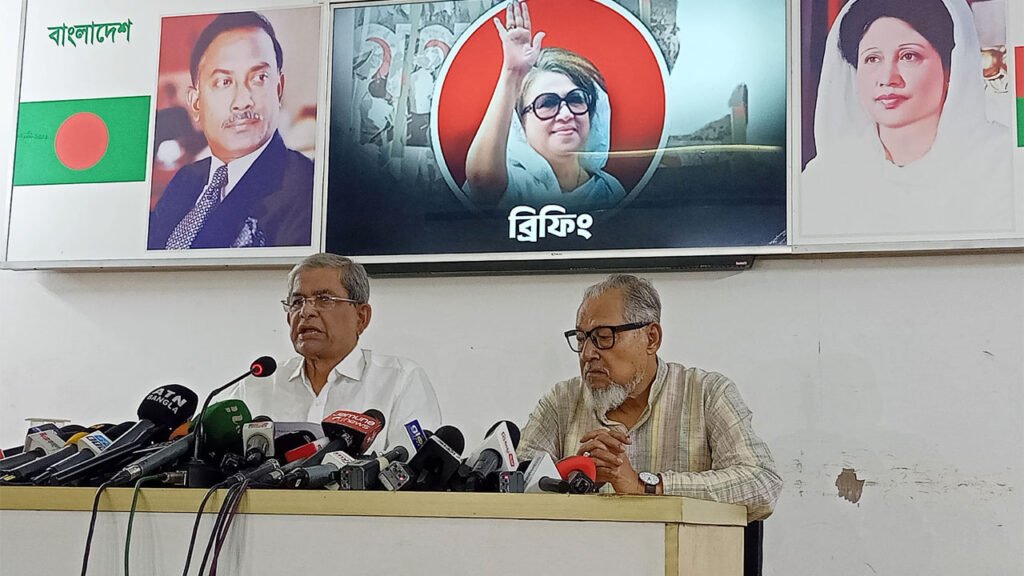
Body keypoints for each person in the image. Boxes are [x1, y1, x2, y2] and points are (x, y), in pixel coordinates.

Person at [517, 274, 781, 521]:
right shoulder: (561, 401)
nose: (587, 354)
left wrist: (646, 486)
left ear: (651, 338)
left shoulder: (706, 394)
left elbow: (762, 483)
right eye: (581, 339)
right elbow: (513, 485)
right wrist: (573, 479)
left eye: (603, 337)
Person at [800, 0, 1013, 238]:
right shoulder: (825, 177)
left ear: (952, 67)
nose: (887, 78)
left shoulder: (1002, 165)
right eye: (872, 59)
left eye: (909, 56)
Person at [226, 253, 442, 454]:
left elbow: (411, 469)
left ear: (361, 317)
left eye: (324, 299)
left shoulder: (400, 381)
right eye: (297, 302)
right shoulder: (257, 385)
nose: (306, 312)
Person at [148, 11, 314, 250]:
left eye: (259, 78)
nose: (243, 101)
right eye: (224, 82)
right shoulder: (186, 178)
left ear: (278, 90)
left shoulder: (306, 186)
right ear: (196, 103)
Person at [463, 0, 625, 211]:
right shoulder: (512, 183)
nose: (566, 114)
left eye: (576, 99)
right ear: (521, 123)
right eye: (548, 103)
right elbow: (481, 181)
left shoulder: (610, 190)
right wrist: (512, 73)